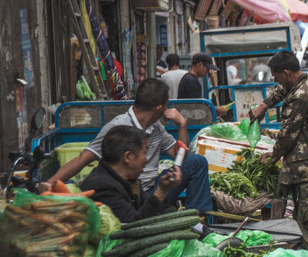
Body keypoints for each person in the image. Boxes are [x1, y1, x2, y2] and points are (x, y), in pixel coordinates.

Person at [42, 79, 213, 214]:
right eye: (167, 105)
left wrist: (182, 124)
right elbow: (83, 159)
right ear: (160, 108)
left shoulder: (157, 126)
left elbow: (180, 155)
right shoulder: (117, 128)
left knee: (197, 162)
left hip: (154, 187)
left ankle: (199, 220)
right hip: (128, 194)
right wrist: (49, 184)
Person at [249, 51, 308, 233]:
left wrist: (273, 155)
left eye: (277, 77)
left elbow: (287, 135)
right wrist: (264, 105)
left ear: (287, 73)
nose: (278, 82)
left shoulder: (301, 97)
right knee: (303, 217)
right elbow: (284, 89)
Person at [80, 126, 182, 223]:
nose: (146, 160)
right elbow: (133, 227)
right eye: (144, 153)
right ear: (128, 157)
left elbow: (148, 211)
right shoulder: (102, 186)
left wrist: (163, 191)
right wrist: (160, 192)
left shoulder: (128, 180)